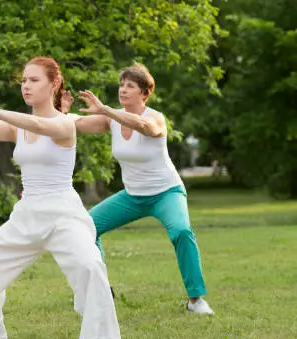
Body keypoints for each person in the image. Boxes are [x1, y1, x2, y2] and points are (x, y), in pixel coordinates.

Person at [0, 57, 129, 339]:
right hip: (27, 214)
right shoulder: (18, 127)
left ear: (54, 85)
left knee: (90, 266)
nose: (26, 86)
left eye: (34, 80)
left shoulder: (65, 123)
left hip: (63, 214)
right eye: (24, 81)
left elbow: (40, 124)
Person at [63, 62, 214, 315]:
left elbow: (147, 128)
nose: (123, 90)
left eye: (130, 86)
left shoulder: (155, 117)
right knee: (87, 227)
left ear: (144, 93)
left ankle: (196, 300)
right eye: (121, 85)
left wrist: (106, 110)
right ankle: (101, 291)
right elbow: (74, 124)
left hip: (166, 192)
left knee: (181, 232)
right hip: (132, 196)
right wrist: (63, 112)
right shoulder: (110, 120)